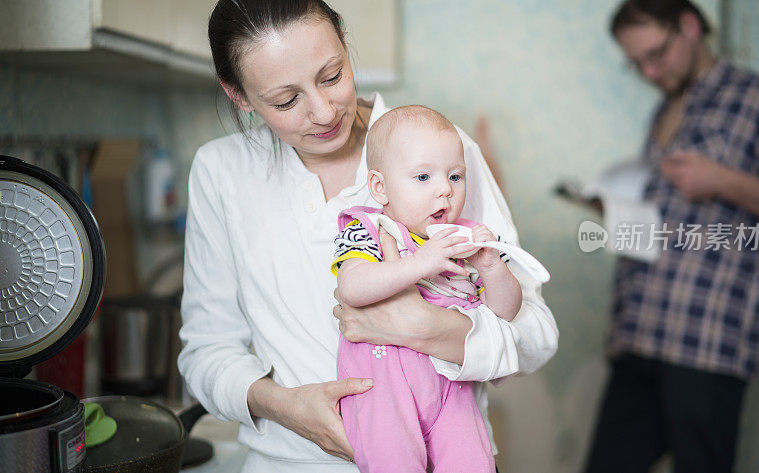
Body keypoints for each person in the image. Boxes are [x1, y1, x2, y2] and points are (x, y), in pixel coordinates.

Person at [177, 1, 559, 471]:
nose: (322, 111)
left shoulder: (436, 155)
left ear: (344, 43)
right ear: (238, 95)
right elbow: (206, 352)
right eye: (285, 100)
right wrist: (285, 407)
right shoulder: (222, 172)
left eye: (332, 75)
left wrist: (434, 331)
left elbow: (537, 335)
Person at [583, 1, 759, 472]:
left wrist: (724, 181)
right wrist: (616, 213)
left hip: (708, 340)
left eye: (657, 53)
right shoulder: (663, 110)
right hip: (639, 331)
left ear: (690, 25)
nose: (650, 70)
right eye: (637, 63)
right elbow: (674, 226)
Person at [332, 105, 525, 472]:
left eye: (455, 176)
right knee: (394, 462)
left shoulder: (465, 239)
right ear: (380, 187)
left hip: (453, 387)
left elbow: (507, 311)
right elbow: (352, 289)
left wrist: (490, 266)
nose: (444, 191)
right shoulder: (369, 230)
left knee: (473, 463)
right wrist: (420, 262)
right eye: (423, 177)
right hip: (383, 388)